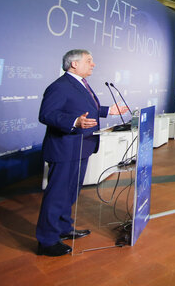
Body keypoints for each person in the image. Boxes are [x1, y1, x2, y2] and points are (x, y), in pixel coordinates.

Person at [36, 50, 128, 257]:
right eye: (89, 60)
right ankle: (47, 241)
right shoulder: (59, 86)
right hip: (65, 148)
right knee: (57, 195)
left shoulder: (80, 83)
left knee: (69, 193)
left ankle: (63, 228)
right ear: (74, 64)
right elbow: (47, 114)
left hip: (80, 147)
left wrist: (106, 111)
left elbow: (82, 108)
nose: (93, 64)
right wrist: (74, 122)